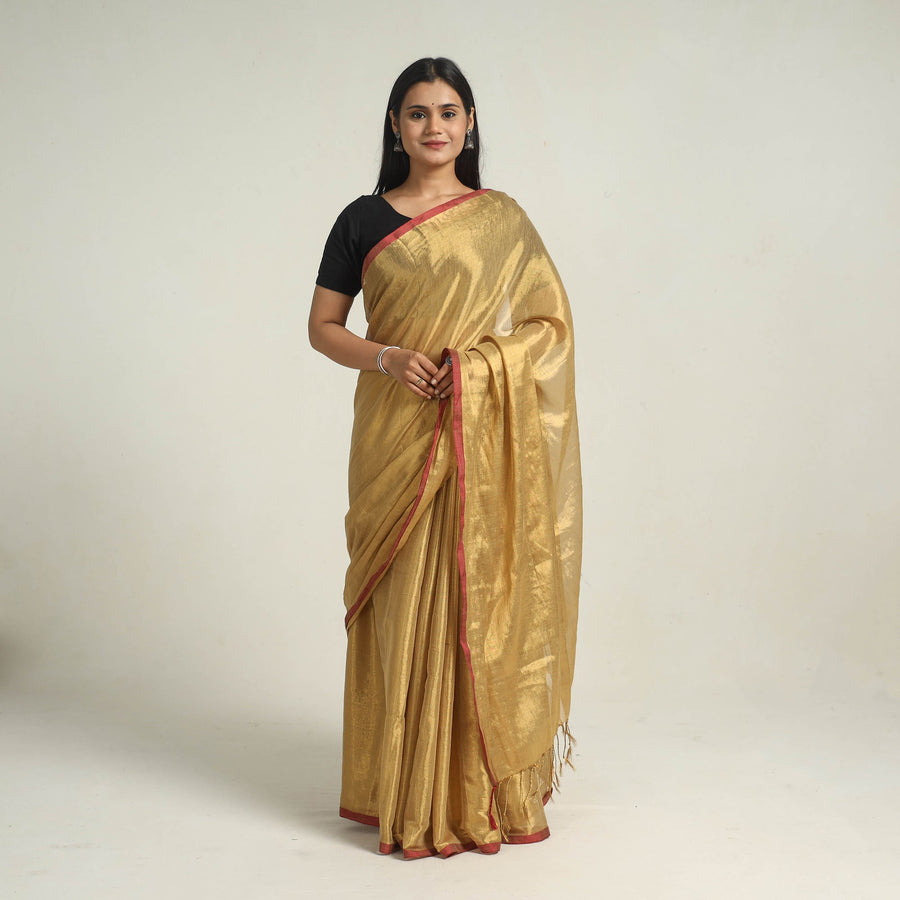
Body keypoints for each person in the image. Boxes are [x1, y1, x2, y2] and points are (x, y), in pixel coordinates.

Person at [308, 57, 582, 859]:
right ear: (396, 127)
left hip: (478, 439)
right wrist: (388, 357)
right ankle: (403, 786)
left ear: (469, 125)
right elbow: (323, 327)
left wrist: (477, 369)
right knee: (399, 604)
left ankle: (471, 791)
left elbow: (549, 329)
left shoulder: (502, 220)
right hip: (395, 436)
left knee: (475, 599)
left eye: (449, 111)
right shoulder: (361, 220)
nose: (435, 126)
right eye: (419, 112)